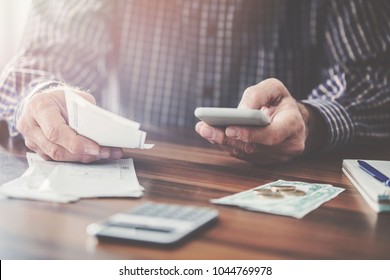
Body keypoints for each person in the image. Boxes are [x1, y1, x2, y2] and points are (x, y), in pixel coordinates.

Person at [0, 0, 389, 165]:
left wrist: (311, 119)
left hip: (292, 189)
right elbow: (46, 59)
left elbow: (375, 80)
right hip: (143, 179)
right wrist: (42, 97)